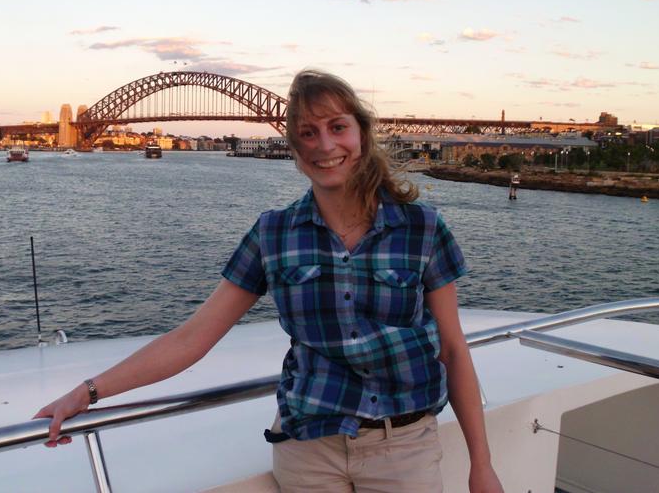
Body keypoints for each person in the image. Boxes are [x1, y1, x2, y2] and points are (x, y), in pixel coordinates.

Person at [34, 69, 503, 493]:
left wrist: (481, 465)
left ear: (361, 133)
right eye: (308, 134)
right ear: (295, 151)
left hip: (403, 448)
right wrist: (87, 392)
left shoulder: (422, 228)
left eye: (337, 127)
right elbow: (193, 338)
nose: (324, 145)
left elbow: (453, 350)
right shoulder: (273, 233)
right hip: (308, 450)